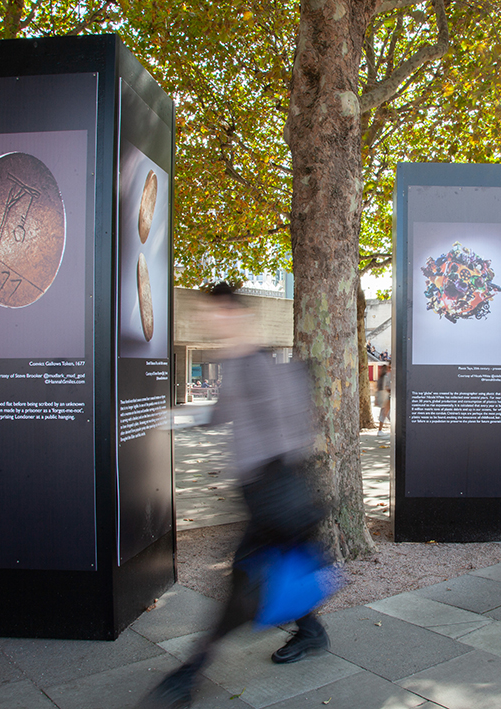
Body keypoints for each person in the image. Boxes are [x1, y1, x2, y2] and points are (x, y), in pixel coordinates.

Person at [141, 284, 332, 709]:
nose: (211, 322)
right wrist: (174, 418)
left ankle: (187, 677)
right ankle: (312, 630)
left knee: (239, 589)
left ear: (236, 314)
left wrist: (285, 497)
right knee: (270, 573)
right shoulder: (237, 364)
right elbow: (222, 415)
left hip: (273, 496)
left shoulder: (257, 364)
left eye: (218, 314)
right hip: (263, 496)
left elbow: (291, 433)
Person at [376, 364, 391, 437]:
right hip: (386, 396)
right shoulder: (386, 377)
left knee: (386, 413)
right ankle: (380, 430)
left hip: (381, 396)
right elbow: (386, 387)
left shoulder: (380, 377)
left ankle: (381, 430)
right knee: (385, 413)